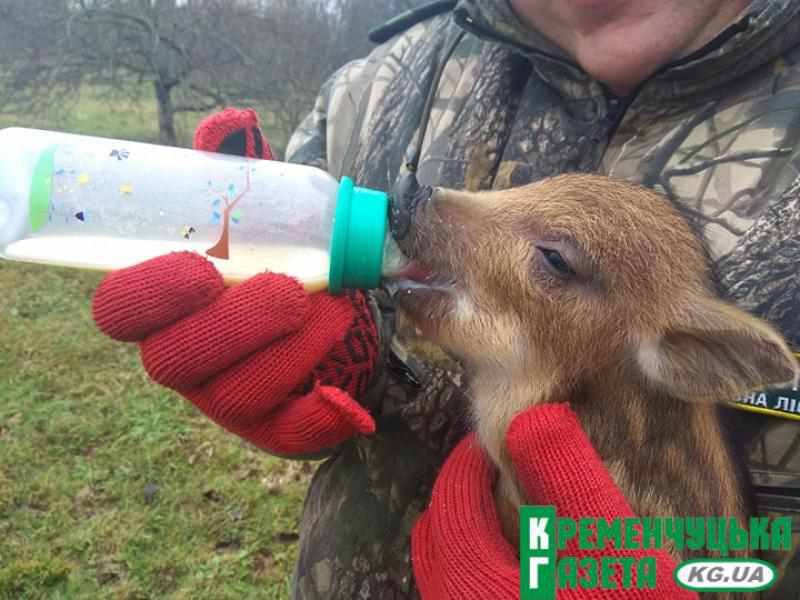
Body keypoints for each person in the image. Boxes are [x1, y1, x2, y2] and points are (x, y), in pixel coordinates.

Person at [91, 0, 800, 597]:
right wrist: (319, 365)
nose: (419, 209)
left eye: (552, 258)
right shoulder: (382, 85)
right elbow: (333, 368)